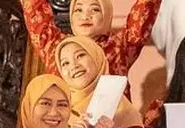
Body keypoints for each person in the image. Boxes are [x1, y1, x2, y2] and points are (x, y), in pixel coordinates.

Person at [22, 0, 162, 77]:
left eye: (95, 9)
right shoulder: (55, 47)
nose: (85, 16)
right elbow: (34, 10)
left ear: (106, 15)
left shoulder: (120, 47)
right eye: (78, 10)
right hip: (63, 127)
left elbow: (145, 10)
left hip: (112, 127)